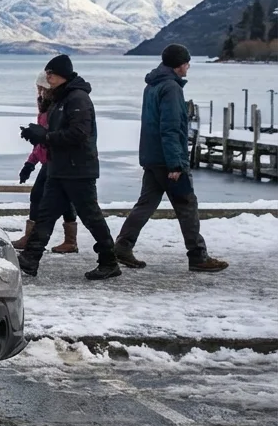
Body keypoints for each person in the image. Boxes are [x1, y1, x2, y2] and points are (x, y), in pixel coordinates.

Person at [113, 44, 228, 272]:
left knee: (146, 204)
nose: (188, 67)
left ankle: (123, 246)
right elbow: (171, 127)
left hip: (152, 156)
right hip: (167, 159)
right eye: (186, 63)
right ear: (179, 65)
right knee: (187, 205)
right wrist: (175, 163)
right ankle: (198, 256)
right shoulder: (171, 88)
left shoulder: (152, 85)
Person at [18, 55, 120, 280]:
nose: (47, 78)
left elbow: (79, 134)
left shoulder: (78, 99)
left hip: (78, 170)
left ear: (61, 74)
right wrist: (39, 136)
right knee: (45, 214)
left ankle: (109, 260)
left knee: (91, 215)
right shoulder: (59, 98)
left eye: (50, 74)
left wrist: (45, 136)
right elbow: (55, 131)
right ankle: (30, 258)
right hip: (59, 167)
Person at [15, 71, 81, 252]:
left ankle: (35, 239)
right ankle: (68, 241)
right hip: (49, 160)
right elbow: (41, 141)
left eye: (40, 88)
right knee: (61, 198)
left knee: (41, 195)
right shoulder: (45, 107)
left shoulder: (54, 108)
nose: (38, 91)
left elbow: (47, 138)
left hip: (58, 160)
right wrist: (30, 163)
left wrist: (33, 161)